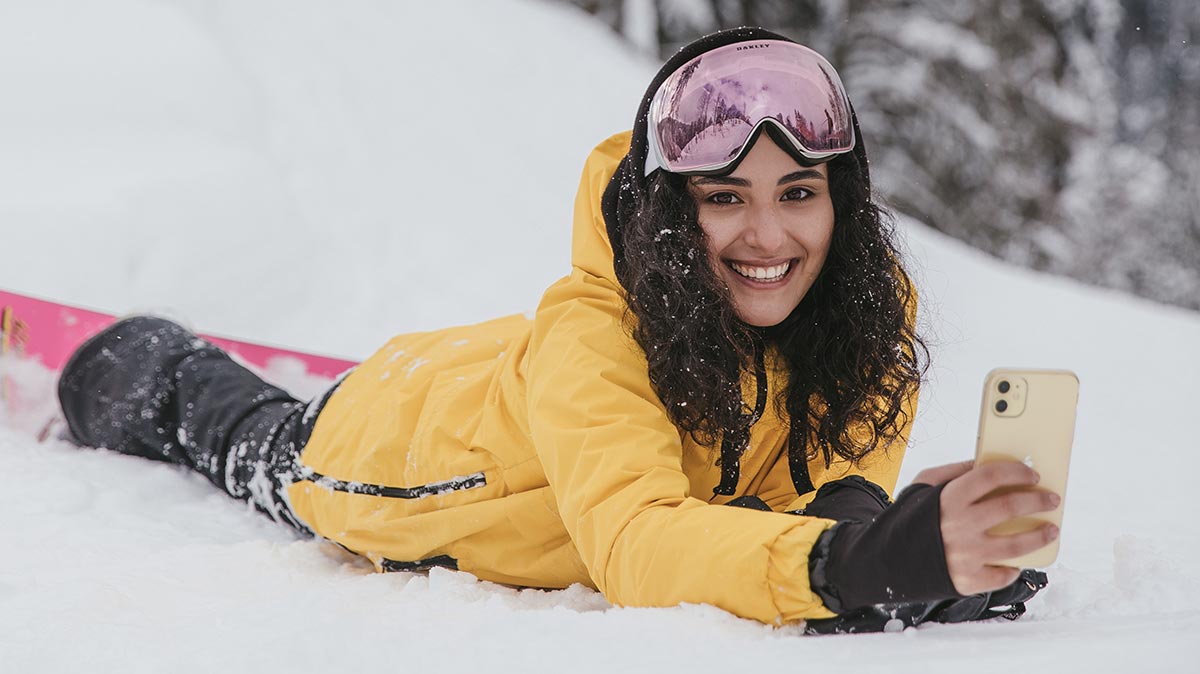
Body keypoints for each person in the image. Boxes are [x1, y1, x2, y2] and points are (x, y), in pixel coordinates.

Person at [56, 28, 1056, 632]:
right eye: (724, 198)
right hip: (398, 453)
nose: (769, 234)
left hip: (510, 382)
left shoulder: (865, 308)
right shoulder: (595, 340)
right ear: (674, 211)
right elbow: (636, 545)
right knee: (258, 437)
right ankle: (144, 359)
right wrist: (852, 567)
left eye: (800, 192)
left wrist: (892, 542)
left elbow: (822, 491)